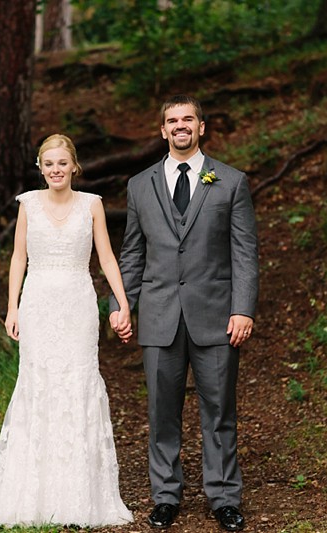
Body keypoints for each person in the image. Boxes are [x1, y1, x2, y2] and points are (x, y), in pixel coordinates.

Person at [109, 95, 259, 531]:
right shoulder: (140, 185)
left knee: (218, 411)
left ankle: (224, 497)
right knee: (161, 413)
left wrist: (243, 309)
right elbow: (132, 253)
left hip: (216, 317)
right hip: (159, 317)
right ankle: (166, 496)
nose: (180, 126)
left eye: (187, 119)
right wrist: (123, 305)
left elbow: (244, 253)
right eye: (172, 121)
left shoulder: (230, 182)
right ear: (162, 130)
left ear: (201, 127)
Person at [0, 134, 134, 528]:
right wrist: (12, 308)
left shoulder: (92, 205)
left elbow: (107, 257)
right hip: (38, 304)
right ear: (41, 168)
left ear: (74, 166)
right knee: (39, 383)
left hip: (78, 303)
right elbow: (18, 258)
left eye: (62, 163)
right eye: (49, 164)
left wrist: (123, 301)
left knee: (77, 383)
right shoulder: (28, 204)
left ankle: (78, 495)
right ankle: (34, 493)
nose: (56, 169)